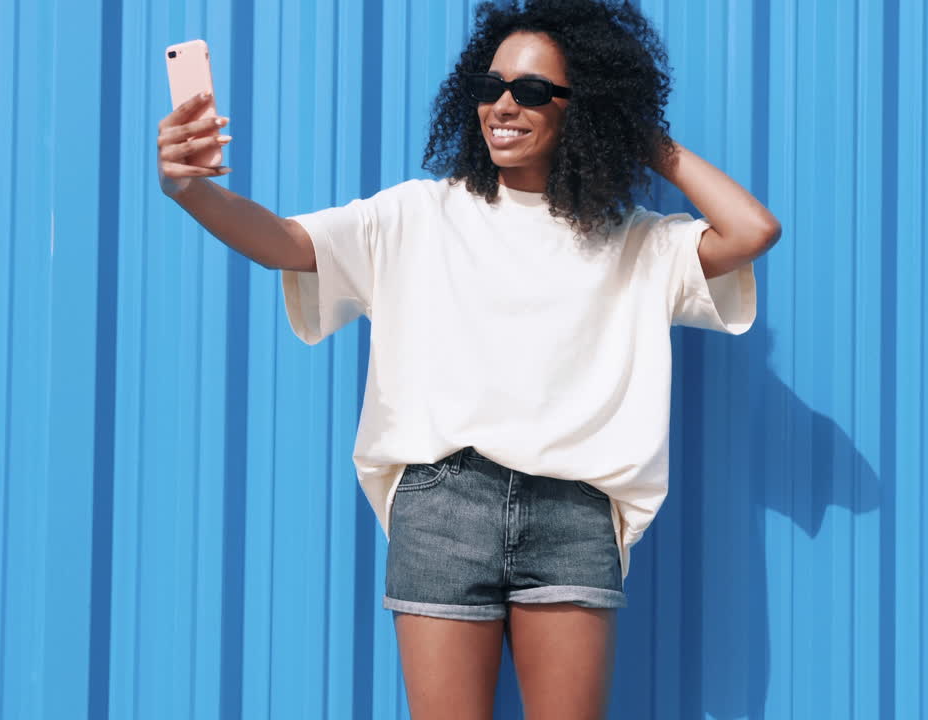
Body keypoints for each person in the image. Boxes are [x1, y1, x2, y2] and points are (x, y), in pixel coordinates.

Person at [156, 0, 780, 716]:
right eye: (490, 87)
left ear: (585, 108)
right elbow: (283, 244)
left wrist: (641, 136)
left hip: (572, 516)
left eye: (534, 91)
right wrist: (189, 189)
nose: (504, 105)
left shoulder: (638, 242)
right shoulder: (417, 215)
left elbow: (753, 229)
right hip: (442, 507)